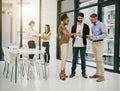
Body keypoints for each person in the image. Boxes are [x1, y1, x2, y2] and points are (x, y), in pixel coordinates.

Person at [69, 12, 90, 78]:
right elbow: (71, 36)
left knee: (83, 59)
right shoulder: (74, 26)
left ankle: (84, 73)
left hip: (83, 45)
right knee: (74, 59)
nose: (80, 19)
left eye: (81, 18)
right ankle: (73, 72)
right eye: (79, 18)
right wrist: (74, 35)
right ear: (77, 18)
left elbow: (87, 35)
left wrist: (82, 36)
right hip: (75, 45)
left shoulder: (86, 26)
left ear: (83, 18)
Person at [88, 13, 107, 82]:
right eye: (90, 20)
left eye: (92, 20)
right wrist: (90, 38)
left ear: (96, 18)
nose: (91, 21)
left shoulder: (101, 25)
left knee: (99, 59)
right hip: (94, 43)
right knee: (96, 59)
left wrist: (96, 37)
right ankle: (97, 74)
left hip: (99, 43)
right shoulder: (92, 27)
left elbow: (105, 34)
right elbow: (93, 35)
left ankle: (102, 76)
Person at [58, 14, 74, 80]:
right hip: (63, 43)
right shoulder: (61, 26)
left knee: (65, 58)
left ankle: (63, 72)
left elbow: (68, 35)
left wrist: (73, 35)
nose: (68, 22)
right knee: (64, 58)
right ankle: (61, 73)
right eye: (67, 21)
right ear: (64, 20)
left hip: (66, 43)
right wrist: (75, 34)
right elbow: (66, 34)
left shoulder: (64, 27)